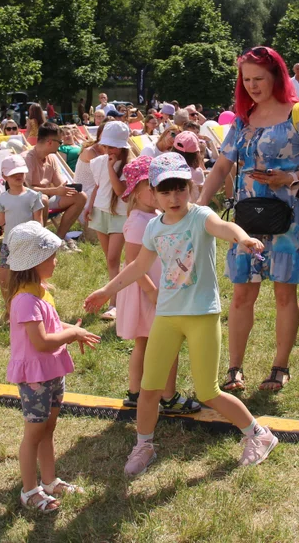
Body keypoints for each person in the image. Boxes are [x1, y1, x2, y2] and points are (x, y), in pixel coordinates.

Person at [85, 154, 277, 476]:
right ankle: (144, 444)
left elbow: (224, 226)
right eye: (165, 191)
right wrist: (107, 291)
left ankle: (259, 434)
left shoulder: (200, 216)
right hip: (167, 317)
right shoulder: (153, 228)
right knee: (150, 388)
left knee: (208, 392)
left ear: (189, 188)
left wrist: (242, 238)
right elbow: (138, 266)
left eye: (179, 189)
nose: (173, 198)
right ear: (153, 193)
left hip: (201, 315)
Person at [198, 46, 299, 393]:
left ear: (276, 76)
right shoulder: (243, 120)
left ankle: (280, 366)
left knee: (285, 297)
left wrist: (289, 177)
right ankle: (234, 369)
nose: (253, 85)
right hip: (249, 219)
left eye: (259, 78)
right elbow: (222, 166)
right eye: (247, 80)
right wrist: (199, 206)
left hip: (289, 217)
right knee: (242, 296)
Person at [7, 221, 99, 513]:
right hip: (35, 376)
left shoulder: (41, 293)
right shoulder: (24, 301)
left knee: (48, 429)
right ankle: (29, 490)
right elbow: (42, 341)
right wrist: (72, 334)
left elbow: (52, 326)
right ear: (34, 263)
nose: (56, 261)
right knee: (33, 434)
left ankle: (49, 481)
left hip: (51, 372)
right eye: (52, 257)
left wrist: (74, 329)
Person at [114, 156, 201, 414]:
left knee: (146, 342)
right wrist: (152, 291)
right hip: (147, 289)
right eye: (151, 186)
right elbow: (132, 261)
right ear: (138, 192)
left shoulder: (150, 217)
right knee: (165, 342)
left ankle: (136, 392)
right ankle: (167, 395)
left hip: (152, 288)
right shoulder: (140, 221)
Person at [0, 154, 46, 318]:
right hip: (9, 244)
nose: (19, 176)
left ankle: (35, 308)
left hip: (28, 243)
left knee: (31, 279)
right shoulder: (2, 198)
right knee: (4, 280)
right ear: (5, 176)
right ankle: (9, 310)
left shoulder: (33, 196)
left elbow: (38, 222)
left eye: (21, 172)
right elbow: (0, 220)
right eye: (14, 174)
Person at [86, 122, 132, 319]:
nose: (108, 149)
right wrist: (89, 206)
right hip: (100, 212)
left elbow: (121, 192)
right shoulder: (97, 162)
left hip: (120, 215)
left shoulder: (130, 165)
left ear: (122, 146)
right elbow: (98, 186)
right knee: (110, 260)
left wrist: (111, 168)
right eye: (106, 145)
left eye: (112, 146)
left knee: (114, 258)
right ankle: (120, 292)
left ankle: (114, 304)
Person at [23, 121, 87, 251]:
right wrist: (56, 190)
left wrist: (68, 188)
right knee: (43, 199)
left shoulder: (51, 158)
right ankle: (43, 241)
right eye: (60, 142)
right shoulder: (27, 158)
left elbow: (59, 183)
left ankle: (59, 238)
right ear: (50, 142)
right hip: (28, 202)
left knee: (80, 196)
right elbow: (26, 189)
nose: (61, 145)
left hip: (47, 199)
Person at [172, 131, 206, 200]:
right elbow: (201, 195)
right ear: (196, 153)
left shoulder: (168, 168)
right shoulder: (197, 172)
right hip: (191, 209)